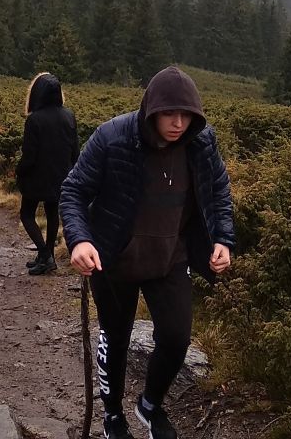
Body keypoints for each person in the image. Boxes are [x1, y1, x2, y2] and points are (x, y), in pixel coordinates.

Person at [59, 66, 235, 439]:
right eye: (169, 114)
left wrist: (222, 239)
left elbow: (218, 189)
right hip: (113, 260)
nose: (178, 123)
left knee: (176, 338)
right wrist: (80, 240)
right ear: (150, 110)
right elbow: (74, 190)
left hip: (170, 258)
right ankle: (113, 416)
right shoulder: (112, 138)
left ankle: (150, 406)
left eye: (186, 114)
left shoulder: (201, 143)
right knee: (115, 338)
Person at [15, 72, 79, 276]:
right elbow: (75, 151)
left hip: (36, 178)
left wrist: (19, 172)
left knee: (26, 215)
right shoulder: (69, 115)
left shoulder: (34, 119)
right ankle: (47, 256)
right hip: (61, 176)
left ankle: (45, 255)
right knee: (52, 214)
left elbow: (29, 156)